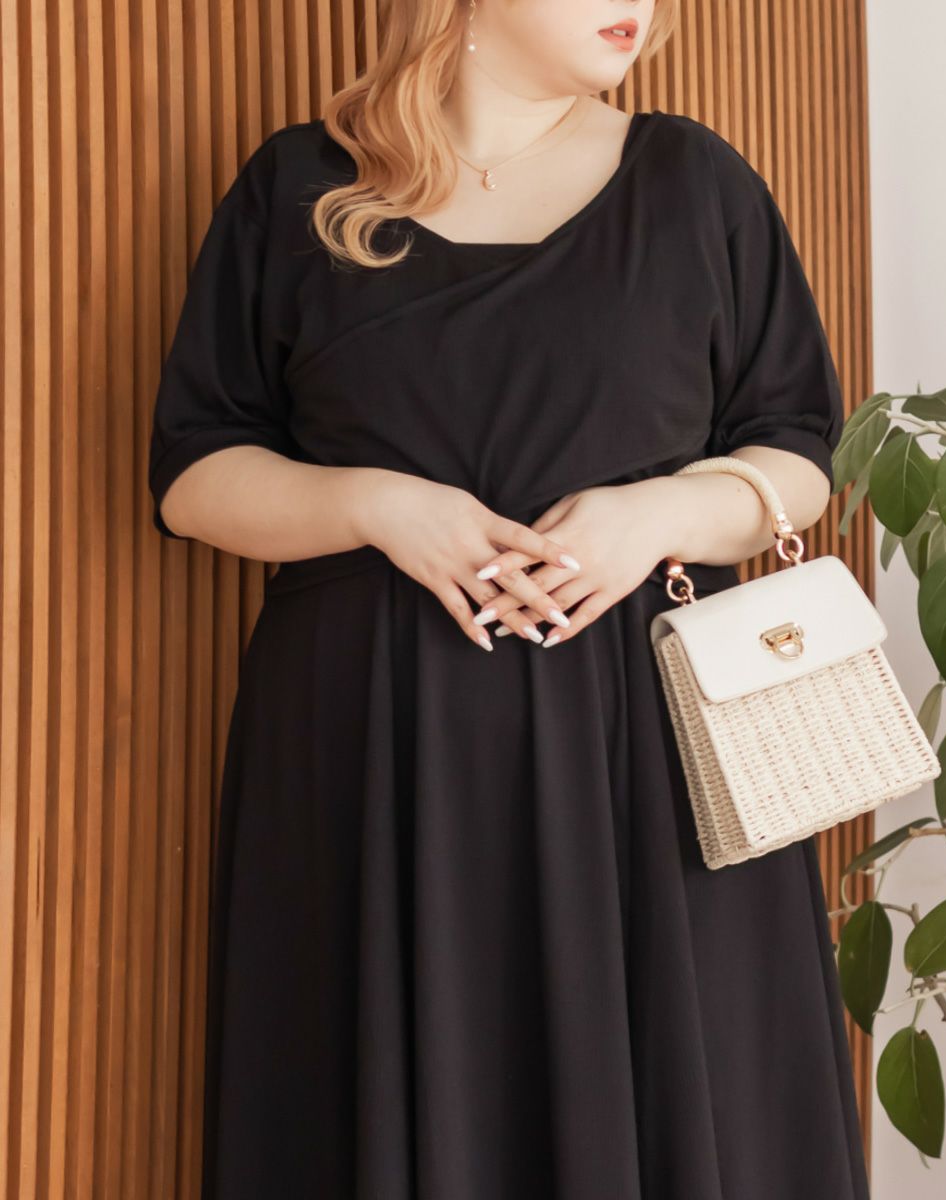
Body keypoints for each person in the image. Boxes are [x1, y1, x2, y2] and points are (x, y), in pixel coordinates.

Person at [147, 0, 871, 1196]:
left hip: (652, 755)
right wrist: (376, 505)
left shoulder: (695, 183)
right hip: (377, 754)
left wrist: (655, 516)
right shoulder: (300, 186)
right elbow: (193, 474)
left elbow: (797, 454)